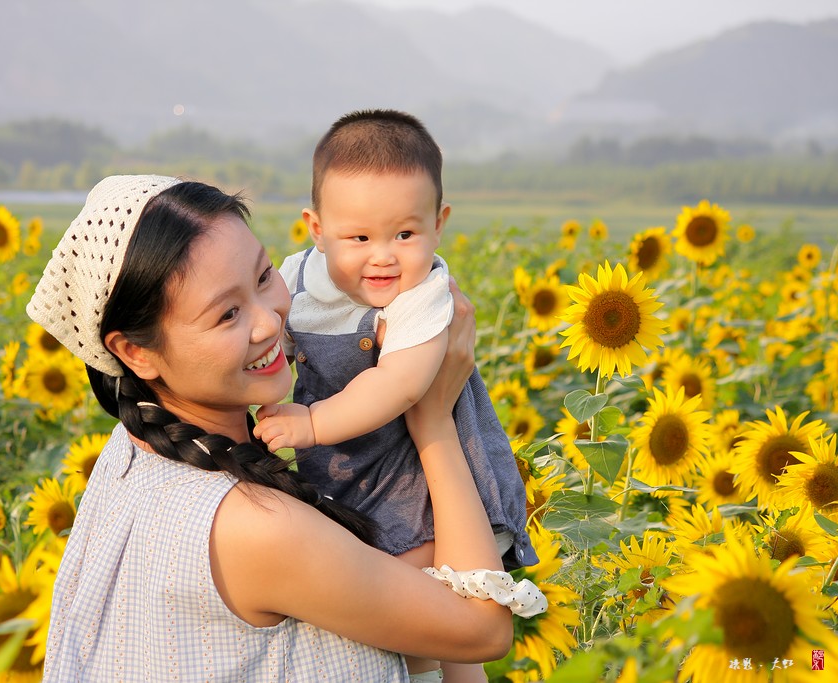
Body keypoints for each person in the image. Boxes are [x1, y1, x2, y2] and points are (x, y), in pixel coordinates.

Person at [28, 175, 546, 682]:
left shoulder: (133, 454)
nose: (270, 321)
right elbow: (482, 631)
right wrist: (433, 418)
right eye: (228, 314)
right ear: (135, 351)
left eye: (262, 277)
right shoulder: (256, 527)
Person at [251, 111, 541, 682]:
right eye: (358, 237)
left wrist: (311, 425)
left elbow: (402, 383)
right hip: (345, 469)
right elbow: (276, 335)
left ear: (439, 223)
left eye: (405, 234)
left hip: (413, 477)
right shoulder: (300, 276)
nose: (383, 255)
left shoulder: (424, 293)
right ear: (316, 228)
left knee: (430, 621)